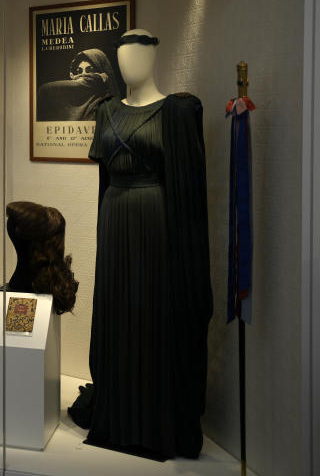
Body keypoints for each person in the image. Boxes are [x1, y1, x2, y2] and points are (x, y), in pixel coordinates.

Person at [80, 29, 212, 459]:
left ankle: (154, 423)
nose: (127, 65)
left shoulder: (177, 111)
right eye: (121, 57)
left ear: (154, 57)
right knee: (117, 308)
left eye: (136, 56)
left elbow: (189, 191)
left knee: (154, 311)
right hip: (115, 216)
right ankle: (117, 415)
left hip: (157, 220)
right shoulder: (106, 111)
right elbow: (103, 179)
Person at [36, 48, 122, 121]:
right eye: (79, 71)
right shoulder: (72, 103)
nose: (83, 75)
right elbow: (45, 91)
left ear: (100, 70)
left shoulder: (106, 104)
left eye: (89, 71)